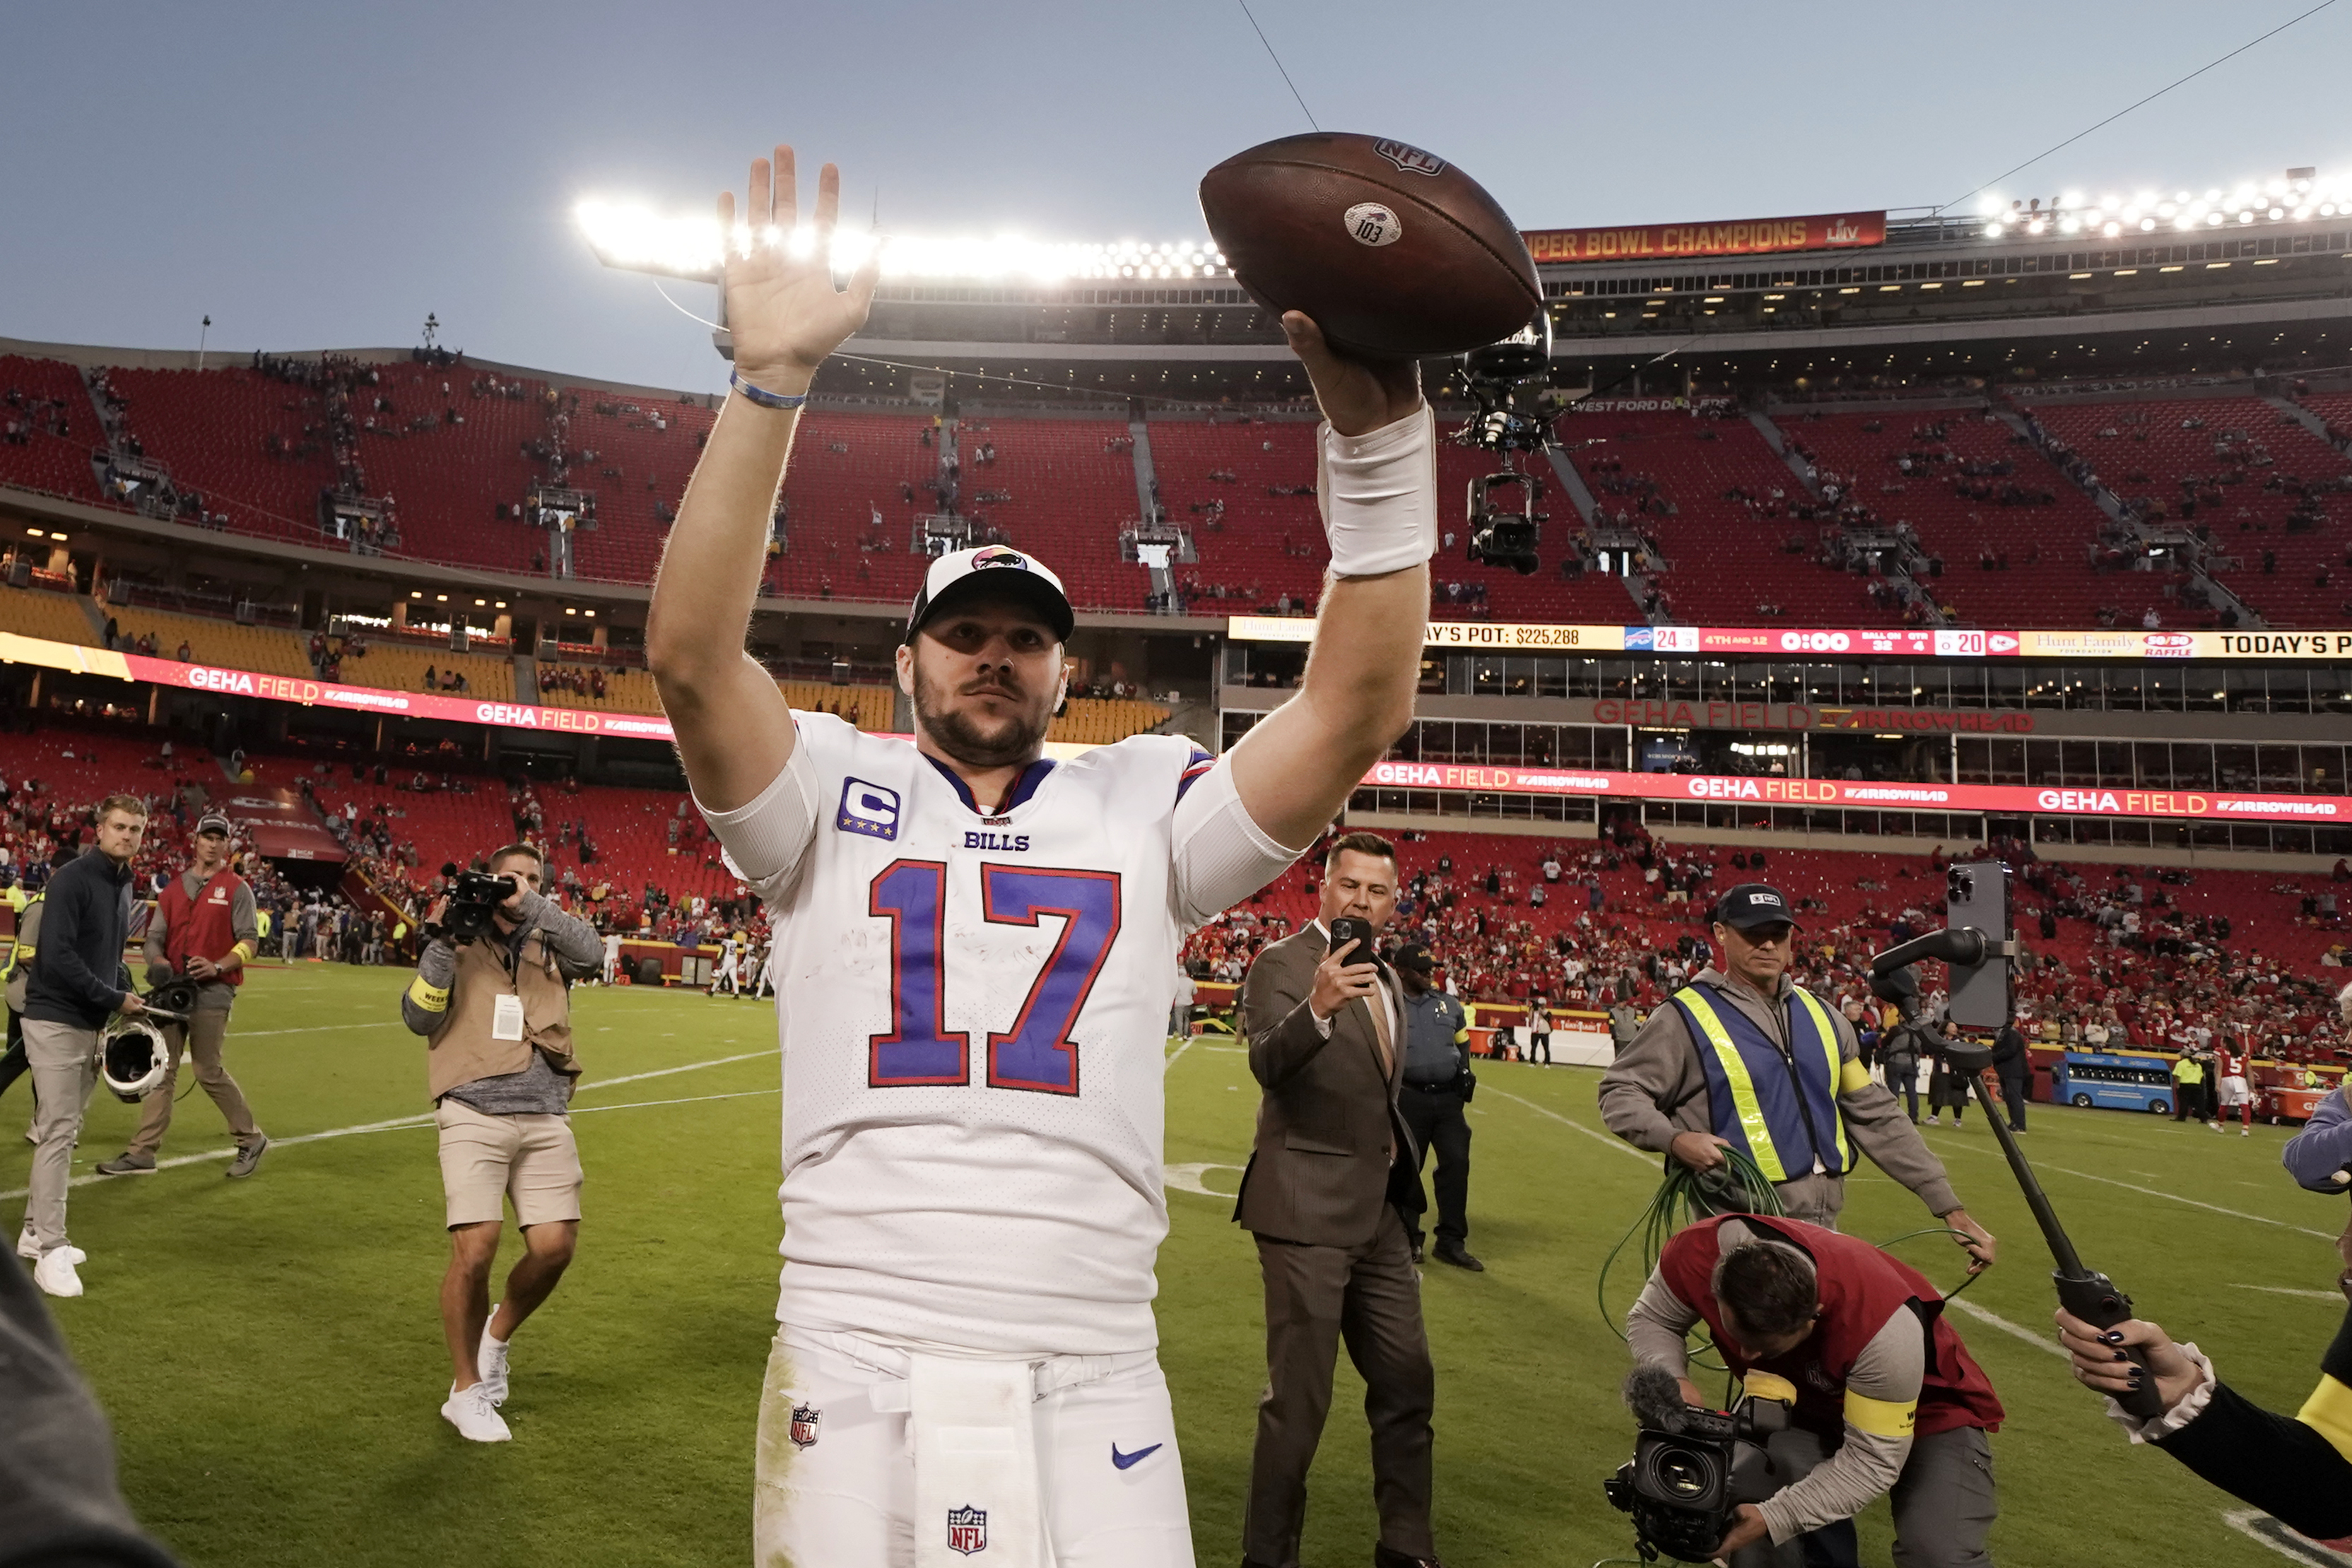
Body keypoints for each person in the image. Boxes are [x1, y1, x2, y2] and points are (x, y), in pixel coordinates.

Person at [644, 143, 1430, 1568]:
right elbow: (691, 657)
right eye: (964, 632)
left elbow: (1353, 707)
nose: (992, 658)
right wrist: (767, 383)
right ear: (906, 660)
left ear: (1066, 672)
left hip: (1091, 1352)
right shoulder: (826, 782)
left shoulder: (1144, 795)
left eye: (1024, 638)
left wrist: (1379, 453)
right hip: (850, 1332)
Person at [1599, 884, 1996, 1274]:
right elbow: (1621, 1091)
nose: (1768, 945)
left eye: (1778, 934)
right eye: (1753, 934)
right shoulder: (1683, 1017)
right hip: (1741, 1233)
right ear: (1721, 934)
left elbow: (1877, 1114)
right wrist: (1675, 1140)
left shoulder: (1825, 1017)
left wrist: (1950, 1209)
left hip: (1824, 1229)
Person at [1237, 833, 1440, 1568]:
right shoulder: (1282, 963)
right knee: (1299, 1403)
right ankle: (1269, 1556)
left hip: (1378, 1213)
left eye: (1376, 889)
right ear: (1323, 887)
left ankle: (1406, 1545)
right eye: (1348, 884)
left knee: (1408, 1381)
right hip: (1301, 1210)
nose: (1361, 900)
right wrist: (1317, 1008)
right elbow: (1266, 1062)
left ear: (1393, 899)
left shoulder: (1386, 973)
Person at [1630, 1214, 2006, 1567]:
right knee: (1743, 1497)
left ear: (1816, 1315)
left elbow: (1871, 1461)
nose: (1746, 1355)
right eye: (1736, 1335)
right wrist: (1672, 1377)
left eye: (1765, 1348)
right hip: (1805, 1406)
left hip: (1928, 1412)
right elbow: (1654, 1316)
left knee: (1937, 1552)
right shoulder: (1695, 1253)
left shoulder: (1880, 1326)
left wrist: (1777, 1516)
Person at [399, 842, 601, 1442]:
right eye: (511, 876)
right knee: (476, 1249)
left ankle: (496, 1335)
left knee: (555, 1247)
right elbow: (418, 1017)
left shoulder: (550, 933)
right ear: (488, 878)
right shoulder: (455, 935)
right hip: (473, 1107)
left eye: (533, 877)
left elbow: (591, 951)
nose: (521, 884)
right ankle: (465, 1391)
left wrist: (533, 905)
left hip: (545, 1109)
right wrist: (442, 942)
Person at [20, 795, 149, 1297]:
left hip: (90, 1021)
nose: (128, 835)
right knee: (57, 1131)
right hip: (55, 1018)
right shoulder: (73, 878)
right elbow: (57, 956)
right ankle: (51, 1248)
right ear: (99, 827)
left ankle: (35, 1231)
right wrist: (115, 996)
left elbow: (108, 952)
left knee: (67, 1131)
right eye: (120, 826)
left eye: (137, 829)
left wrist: (120, 987)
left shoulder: (125, 882)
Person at [95, 813, 268, 1179]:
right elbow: (155, 937)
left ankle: (250, 1138)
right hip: (172, 992)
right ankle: (142, 1152)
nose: (213, 842)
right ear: (196, 839)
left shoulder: (238, 889)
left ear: (227, 845)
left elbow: (250, 941)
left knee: (207, 1070)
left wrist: (218, 967)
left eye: (220, 837)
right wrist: (157, 961)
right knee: (163, 1071)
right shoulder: (173, 890)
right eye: (208, 835)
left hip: (214, 990)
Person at [1392, 941, 1478, 1272]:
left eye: (1431, 968)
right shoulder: (1388, 1003)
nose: (1430, 973)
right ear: (1400, 971)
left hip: (1448, 1101)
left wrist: (1465, 1071)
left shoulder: (1448, 1005)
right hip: (1408, 1098)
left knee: (1456, 1166)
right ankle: (1408, 1238)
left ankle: (1451, 1241)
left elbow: (1463, 1043)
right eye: (1421, 969)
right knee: (1407, 1170)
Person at [1989, 1013, 2030, 1135]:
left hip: (2013, 1070)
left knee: (2014, 1097)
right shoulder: (2005, 1033)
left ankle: (2019, 1124)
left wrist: (1993, 1056)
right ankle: (2014, 1122)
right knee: (2009, 1097)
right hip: (2007, 1070)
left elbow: (2010, 1051)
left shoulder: (2011, 1034)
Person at [2213, 1037, 2254, 1136]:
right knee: (2244, 1105)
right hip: (2240, 1080)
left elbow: (2219, 1069)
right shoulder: (2244, 1054)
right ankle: (2245, 1129)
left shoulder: (2221, 1052)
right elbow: (2249, 1072)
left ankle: (2221, 1125)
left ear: (2226, 1044)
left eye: (2222, 1041)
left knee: (2224, 1104)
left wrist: (2217, 1084)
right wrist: (2252, 1087)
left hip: (2227, 1079)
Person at [2170, 1048, 2207, 1125]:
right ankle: (2203, 1119)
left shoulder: (2181, 1064)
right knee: (2199, 1103)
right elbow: (2201, 1076)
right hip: (2197, 1085)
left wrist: (2178, 1084)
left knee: (2184, 1102)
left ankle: (2181, 1117)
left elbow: (2177, 1075)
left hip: (2185, 1085)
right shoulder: (2197, 1064)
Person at [1170, 963, 1197, 1040]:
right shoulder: (1191, 981)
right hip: (1188, 1002)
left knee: (1179, 1020)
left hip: (1179, 1003)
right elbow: (1195, 992)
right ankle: (1186, 1034)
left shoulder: (1177, 982)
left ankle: (1181, 1035)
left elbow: (1173, 992)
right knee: (1187, 1019)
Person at [1524, 995, 1552, 1066]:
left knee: (1546, 1048)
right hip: (1535, 1030)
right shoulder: (1534, 1011)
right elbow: (1530, 1018)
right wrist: (1532, 1008)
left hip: (1544, 1031)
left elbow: (1547, 1015)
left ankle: (1547, 1062)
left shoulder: (1546, 1011)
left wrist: (1540, 1010)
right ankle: (1533, 1061)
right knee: (1533, 1047)